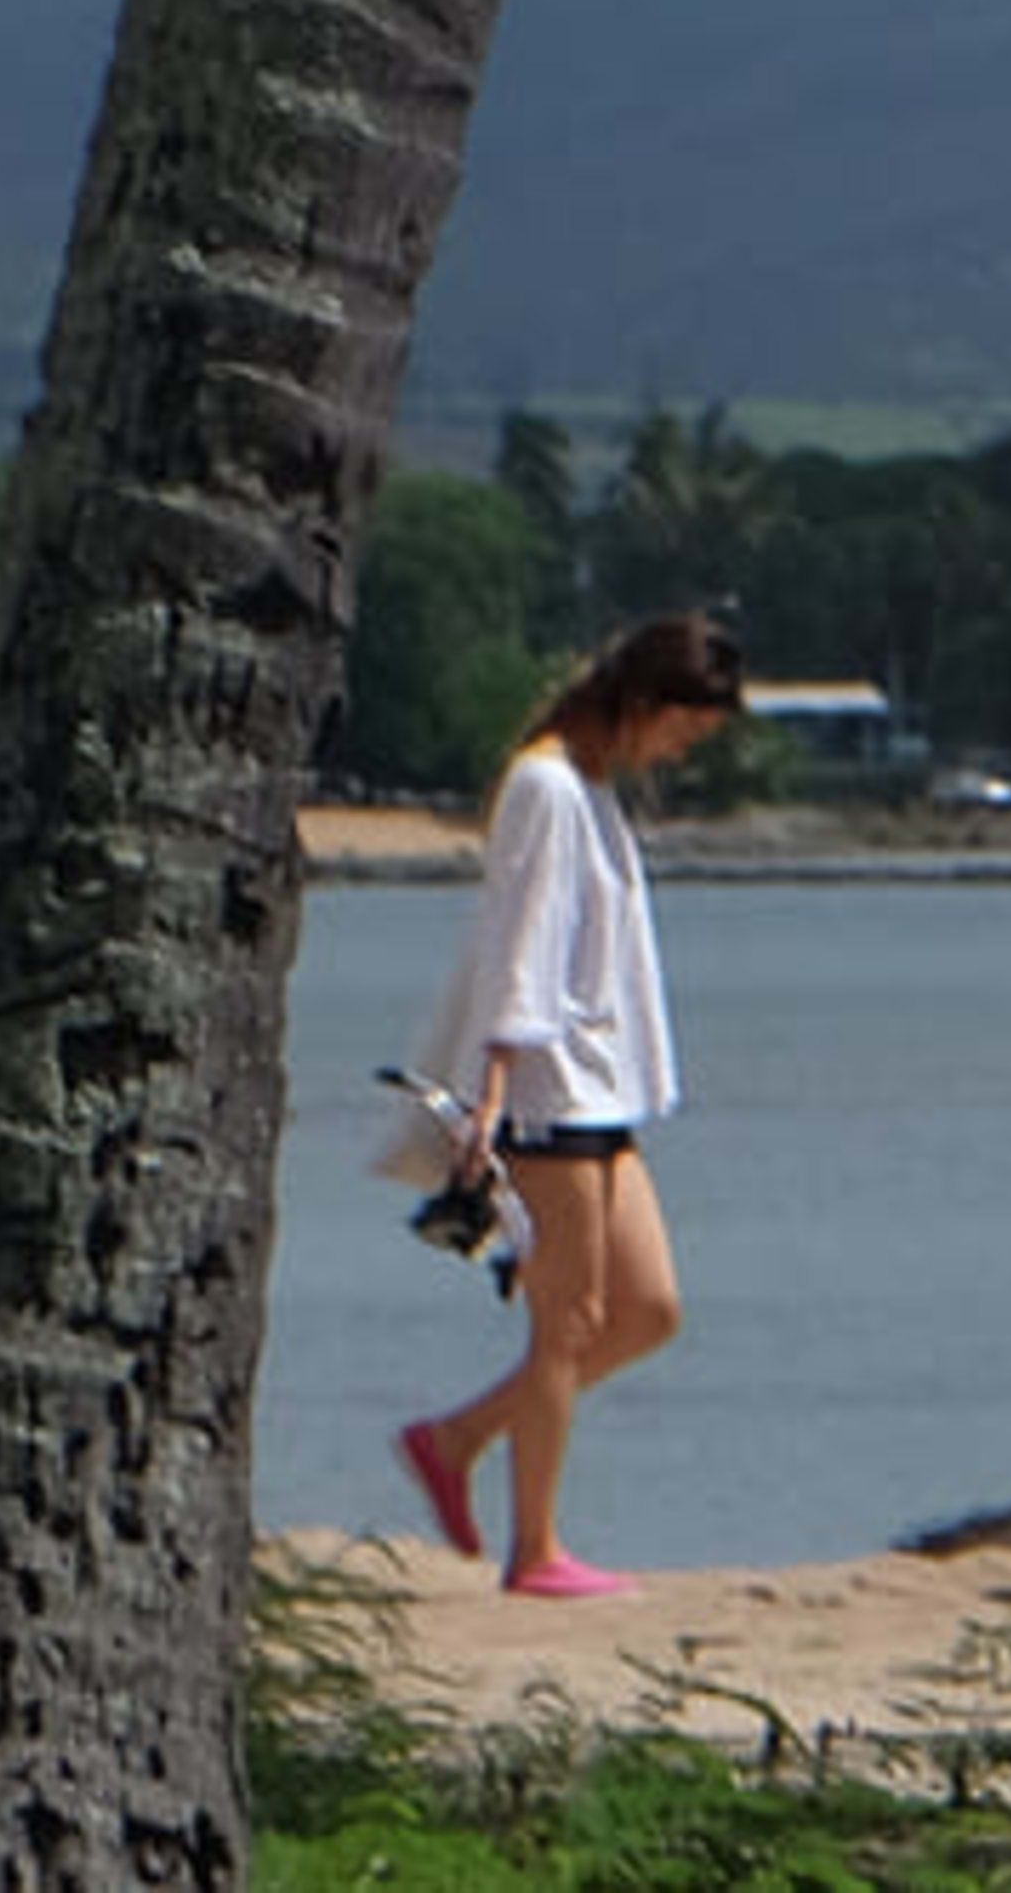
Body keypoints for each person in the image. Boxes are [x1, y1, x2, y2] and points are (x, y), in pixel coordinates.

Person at [390, 612, 745, 1600]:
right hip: (546, 1089)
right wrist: (493, 1091)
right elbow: (522, 941)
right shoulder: (546, 785)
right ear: (644, 704)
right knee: (569, 1318)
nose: (680, 751)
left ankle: (456, 1438)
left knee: (649, 1308)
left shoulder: (586, 786)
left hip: (600, 1083)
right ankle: (535, 1547)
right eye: (683, 730)